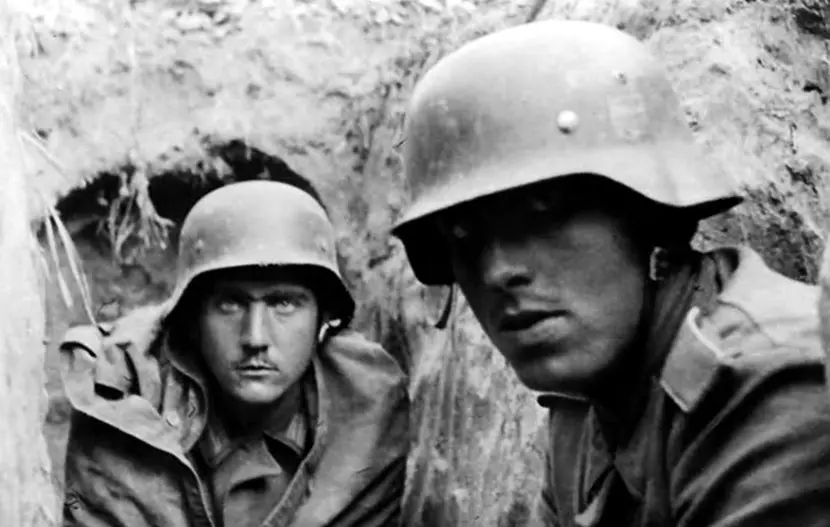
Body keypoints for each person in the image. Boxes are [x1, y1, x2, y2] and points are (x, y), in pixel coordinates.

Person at [391, 19, 830, 526]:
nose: (497, 272)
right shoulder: (585, 416)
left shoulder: (770, 389)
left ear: (649, 217)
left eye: (543, 211)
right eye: (464, 237)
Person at [60, 176, 410, 526]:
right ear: (192, 319)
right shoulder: (122, 397)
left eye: (284, 303)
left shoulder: (369, 409)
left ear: (324, 317)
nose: (255, 337)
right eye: (230, 304)